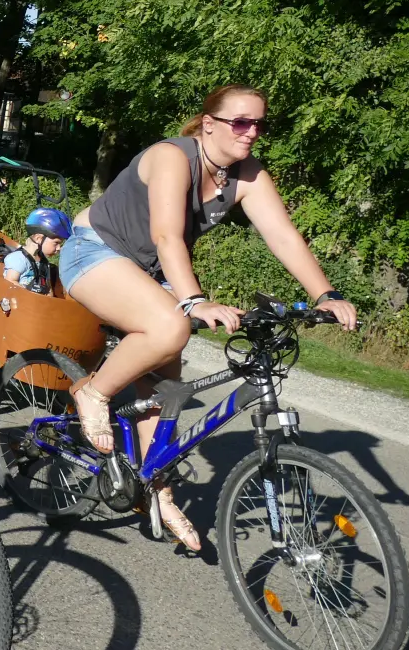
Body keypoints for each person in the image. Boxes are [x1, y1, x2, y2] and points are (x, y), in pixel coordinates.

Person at [61, 84, 360, 553]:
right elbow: (165, 234)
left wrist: (324, 293)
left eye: (260, 123)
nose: (252, 132)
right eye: (241, 122)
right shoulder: (172, 157)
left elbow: (283, 237)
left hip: (150, 273)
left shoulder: (248, 175)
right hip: (94, 252)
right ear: (209, 124)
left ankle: (156, 491)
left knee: (164, 395)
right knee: (171, 328)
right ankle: (93, 391)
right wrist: (193, 301)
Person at [3, 208, 70, 294]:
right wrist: (33, 297)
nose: (58, 248)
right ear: (39, 238)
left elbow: (48, 289)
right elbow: (10, 282)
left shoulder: (43, 262)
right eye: (56, 243)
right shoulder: (18, 259)